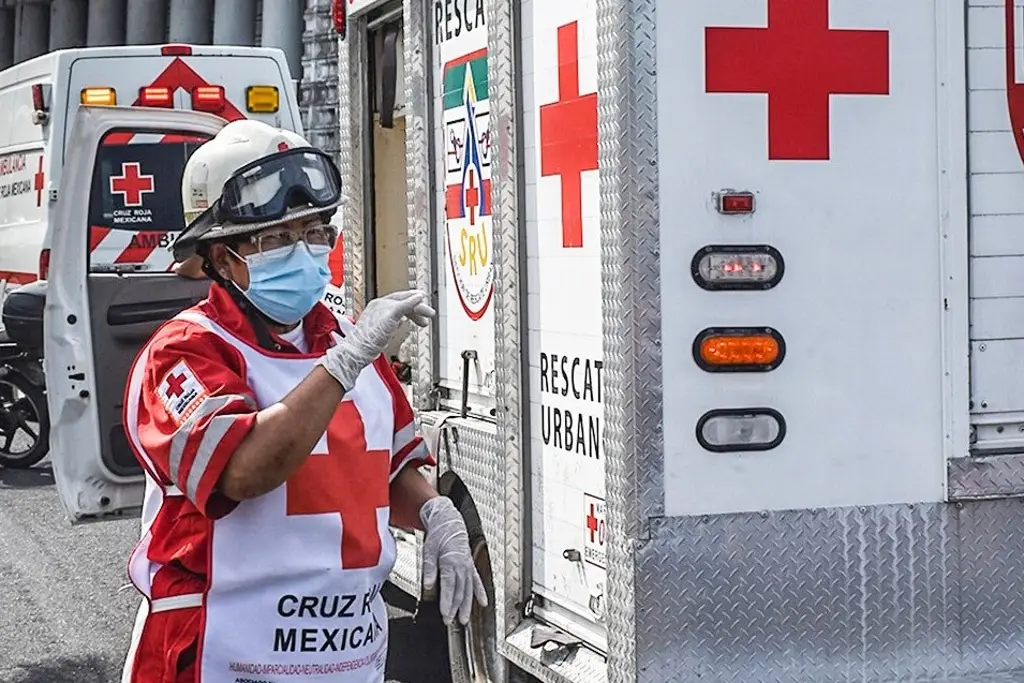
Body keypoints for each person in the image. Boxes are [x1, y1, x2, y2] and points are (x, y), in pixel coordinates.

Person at [120, 120, 486, 683]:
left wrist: (437, 514)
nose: (304, 250)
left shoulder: (346, 339)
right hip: (221, 658)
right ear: (221, 257)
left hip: (345, 663)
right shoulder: (187, 352)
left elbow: (389, 465)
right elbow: (244, 471)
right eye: (275, 239)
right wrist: (345, 364)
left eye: (315, 230)